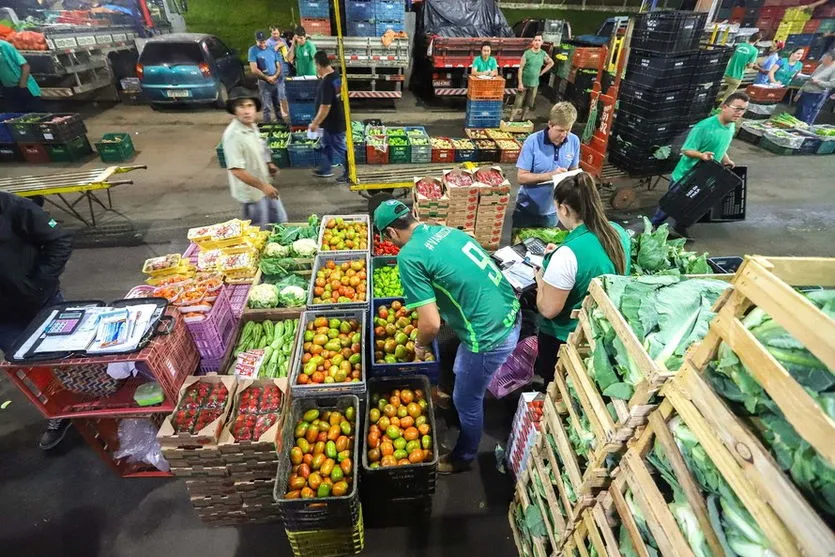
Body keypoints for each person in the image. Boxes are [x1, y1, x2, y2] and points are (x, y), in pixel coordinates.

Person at [373, 200, 521, 474]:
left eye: (388, 238)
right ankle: (451, 393)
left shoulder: (409, 256)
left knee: (468, 401)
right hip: (510, 309)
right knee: (456, 360)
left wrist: (418, 344)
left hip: (488, 335)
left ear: (392, 233)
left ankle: (462, 458)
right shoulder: (447, 231)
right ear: (413, 216)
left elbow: (430, 324)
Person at [534, 173, 632, 383]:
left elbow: (548, 310)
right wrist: (563, 252)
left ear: (564, 209)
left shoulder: (567, 256)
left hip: (565, 339)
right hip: (601, 332)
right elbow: (595, 258)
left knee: (555, 385)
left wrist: (540, 278)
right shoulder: (616, 232)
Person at [0, 191, 74, 450]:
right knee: (34, 369)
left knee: (67, 358)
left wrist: (39, 286)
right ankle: (62, 412)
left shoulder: (14, 207)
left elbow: (59, 240)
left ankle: (91, 408)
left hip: (41, 304)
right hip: (4, 321)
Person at [651, 92, 748, 237]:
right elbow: (686, 149)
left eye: (743, 109)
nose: (739, 113)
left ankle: (680, 226)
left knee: (692, 203)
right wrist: (701, 155)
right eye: (737, 108)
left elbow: (722, 145)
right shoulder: (704, 127)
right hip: (686, 175)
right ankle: (654, 226)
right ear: (724, 107)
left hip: (706, 175)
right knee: (672, 203)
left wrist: (726, 158)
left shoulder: (731, 126)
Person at [221, 87, 288, 227]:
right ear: (234, 110)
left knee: (280, 223)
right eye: (241, 106)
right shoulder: (233, 135)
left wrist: (269, 164)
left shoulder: (252, 126)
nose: (246, 111)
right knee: (259, 230)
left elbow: (261, 147)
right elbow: (237, 170)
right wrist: (263, 187)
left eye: (250, 105)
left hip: (265, 187)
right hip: (252, 195)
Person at [511, 102, 581, 230]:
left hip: (553, 212)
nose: (564, 135)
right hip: (527, 208)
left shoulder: (574, 141)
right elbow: (521, 177)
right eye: (560, 130)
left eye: (568, 130)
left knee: (546, 247)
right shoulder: (532, 142)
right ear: (550, 124)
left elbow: (574, 171)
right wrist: (550, 175)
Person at [310, 50, 347, 182]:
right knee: (327, 145)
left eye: (315, 65)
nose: (316, 68)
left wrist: (315, 122)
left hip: (333, 122)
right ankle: (325, 169)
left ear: (319, 65)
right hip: (333, 120)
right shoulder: (336, 76)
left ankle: (349, 172)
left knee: (339, 147)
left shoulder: (327, 82)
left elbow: (325, 106)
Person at [511, 34, 554, 121]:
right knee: (518, 103)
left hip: (534, 84)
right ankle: (511, 119)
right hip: (524, 82)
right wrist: (520, 83)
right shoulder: (527, 54)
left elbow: (551, 63)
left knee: (528, 103)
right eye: (536, 40)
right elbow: (520, 69)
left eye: (539, 40)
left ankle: (523, 119)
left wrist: (541, 72)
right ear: (533, 42)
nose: (537, 42)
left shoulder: (543, 54)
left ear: (542, 42)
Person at [248, 31, 287, 123]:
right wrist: (267, 78)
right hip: (264, 82)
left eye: (263, 42)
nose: (262, 44)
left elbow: (278, 65)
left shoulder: (271, 49)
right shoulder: (253, 50)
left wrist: (275, 76)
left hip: (275, 80)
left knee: (277, 104)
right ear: (256, 41)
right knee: (267, 107)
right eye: (260, 42)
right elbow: (254, 69)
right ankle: (268, 125)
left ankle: (281, 123)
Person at [0, 38, 42, 112]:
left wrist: (22, 86)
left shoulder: (4, 46)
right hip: (8, 89)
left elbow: (25, 66)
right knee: (15, 117)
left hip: (24, 86)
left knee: (36, 115)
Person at [717, 32, 760, 103]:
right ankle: (720, 109)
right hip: (737, 76)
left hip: (727, 73)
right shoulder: (754, 51)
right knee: (728, 97)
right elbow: (750, 66)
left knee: (719, 90)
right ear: (757, 40)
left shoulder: (739, 45)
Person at [795, 51, 835, 125]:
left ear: (831, 59)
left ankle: (801, 132)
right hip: (806, 91)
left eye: (825, 58)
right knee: (798, 114)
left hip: (816, 94)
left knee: (806, 116)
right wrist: (799, 92)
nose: (822, 60)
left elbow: (832, 84)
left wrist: (818, 82)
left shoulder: (833, 69)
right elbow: (810, 78)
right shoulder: (821, 65)